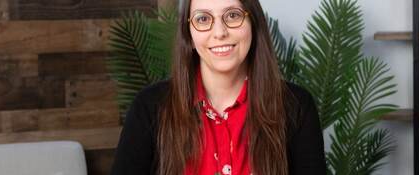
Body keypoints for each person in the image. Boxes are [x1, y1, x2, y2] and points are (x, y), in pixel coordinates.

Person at [110, 0, 326, 174]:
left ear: (254, 24)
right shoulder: (150, 107)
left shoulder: (296, 106)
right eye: (203, 19)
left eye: (232, 15)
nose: (220, 32)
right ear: (189, 35)